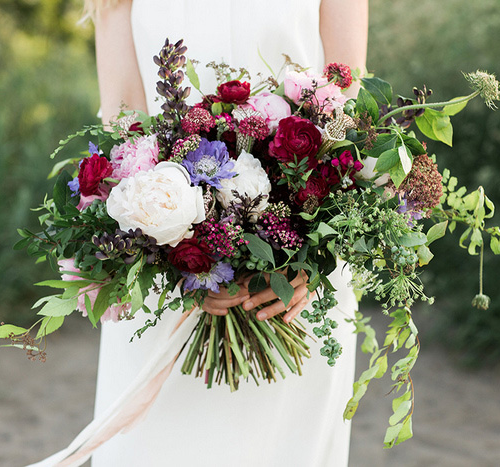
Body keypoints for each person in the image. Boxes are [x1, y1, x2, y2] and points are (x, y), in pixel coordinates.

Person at [88, 1, 368, 465]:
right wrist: (185, 261)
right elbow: (125, 126)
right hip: (167, 278)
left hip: (296, 287)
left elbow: (350, 110)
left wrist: (310, 264)